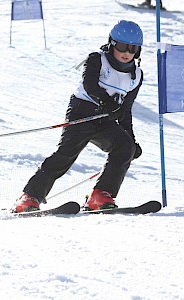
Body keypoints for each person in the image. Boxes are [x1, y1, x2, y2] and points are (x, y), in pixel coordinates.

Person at [13, 20, 144, 212]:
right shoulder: (97, 59)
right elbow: (89, 85)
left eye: (132, 49)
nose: (127, 53)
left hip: (105, 119)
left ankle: (100, 195)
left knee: (125, 147)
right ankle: (29, 197)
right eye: (123, 46)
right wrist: (106, 103)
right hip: (82, 112)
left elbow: (125, 111)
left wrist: (131, 141)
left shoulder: (136, 75)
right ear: (112, 44)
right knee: (66, 154)